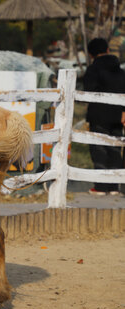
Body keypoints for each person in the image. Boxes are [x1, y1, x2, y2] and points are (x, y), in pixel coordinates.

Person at [83, 37, 125, 196]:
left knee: (99, 149)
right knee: (115, 149)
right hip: (118, 116)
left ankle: (100, 187)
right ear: (107, 50)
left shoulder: (93, 70)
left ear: (91, 54)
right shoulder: (119, 70)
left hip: (98, 115)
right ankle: (114, 187)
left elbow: (88, 91)